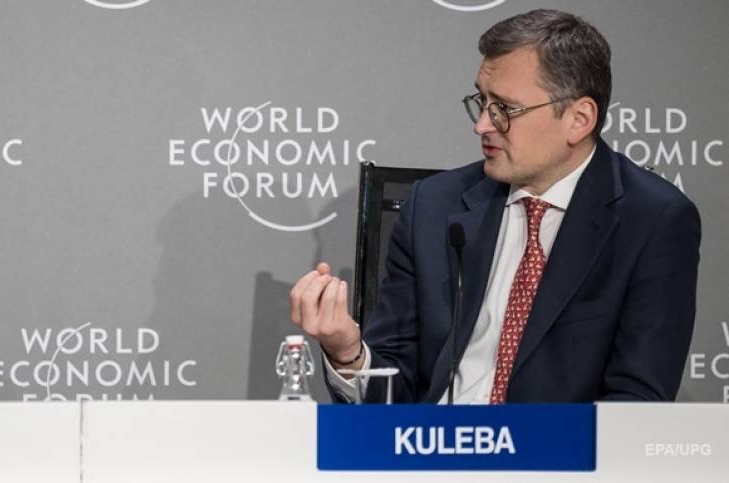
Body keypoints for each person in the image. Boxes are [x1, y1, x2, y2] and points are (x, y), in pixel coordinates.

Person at [289, 9, 701, 403]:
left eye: (505, 109)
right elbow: (396, 389)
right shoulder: (434, 206)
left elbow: (636, 402)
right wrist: (348, 353)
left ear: (579, 119)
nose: (482, 124)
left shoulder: (652, 220)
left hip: (558, 451)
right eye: (482, 101)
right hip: (435, 444)